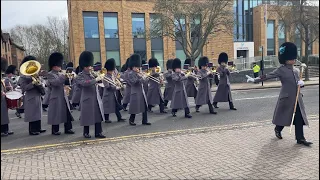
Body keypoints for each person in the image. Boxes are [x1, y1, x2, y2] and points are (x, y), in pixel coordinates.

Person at [246, 42, 312, 146]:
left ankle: (300, 139)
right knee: (284, 117)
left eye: (293, 58)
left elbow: (298, 83)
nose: (293, 60)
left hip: (297, 99)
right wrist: (255, 80)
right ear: (285, 59)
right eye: (291, 58)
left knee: (299, 118)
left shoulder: (296, 70)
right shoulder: (281, 70)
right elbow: (267, 76)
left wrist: (302, 83)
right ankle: (278, 129)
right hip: (286, 99)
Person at [76, 51, 106, 138]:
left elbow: (98, 82)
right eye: (87, 66)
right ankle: (86, 132)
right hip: (87, 98)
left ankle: (98, 132)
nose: (89, 67)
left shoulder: (92, 74)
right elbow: (85, 83)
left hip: (95, 97)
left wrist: (100, 79)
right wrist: (96, 79)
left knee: (98, 115)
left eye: (90, 65)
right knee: (87, 116)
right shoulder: (80, 76)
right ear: (83, 66)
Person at [46, 52, 75, 135]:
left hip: (63, 96)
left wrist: (70, 78)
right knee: (56, 114)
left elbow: (66, 82)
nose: (60, 67)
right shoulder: (50, 74)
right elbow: (55, 83)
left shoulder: (60, 73)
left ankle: (68, 128)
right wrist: (64, 76)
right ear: (54, 66)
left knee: (67, 113)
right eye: (59, 65)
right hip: (55, 97)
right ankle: (55, 130)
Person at [18, 56, 46, 135]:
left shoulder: (35, 75)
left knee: (38, 113)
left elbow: (43, 83)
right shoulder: (23, 77)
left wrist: (41, 83)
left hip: (37, 96)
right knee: (32, 114)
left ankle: (38, 128)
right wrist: (32, 83)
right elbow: (24, 88)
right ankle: (32, 130)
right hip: (30, 97)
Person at [127, 54, 151, 126]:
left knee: (144, 106)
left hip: (141, 92)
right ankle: (131, 120)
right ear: (132, 67)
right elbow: (134, 82)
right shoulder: (131, 74)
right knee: (134, 107)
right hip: (135, 92)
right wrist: (141, 77)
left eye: (137, 66)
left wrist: (145, 77)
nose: (137, 68)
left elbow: (144, 82)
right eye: (135, 67)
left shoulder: (139, 73)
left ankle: (145, 120)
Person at [103, 58, 126, 123]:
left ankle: (119, 118)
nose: (113, 71)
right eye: (112, 70)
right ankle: (106, 119)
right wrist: (116, 87)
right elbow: (107, 86)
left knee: (116, 106)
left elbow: (115, 81)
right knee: (107, 107)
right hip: (108, 94)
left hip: (113, 94)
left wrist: (119, 84)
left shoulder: (112, 75)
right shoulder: (105, 76)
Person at [1, 58, 14, 137]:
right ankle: (3, 130)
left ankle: (6, 129)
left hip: (2, 98)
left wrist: (7, 88)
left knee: (4, 115)